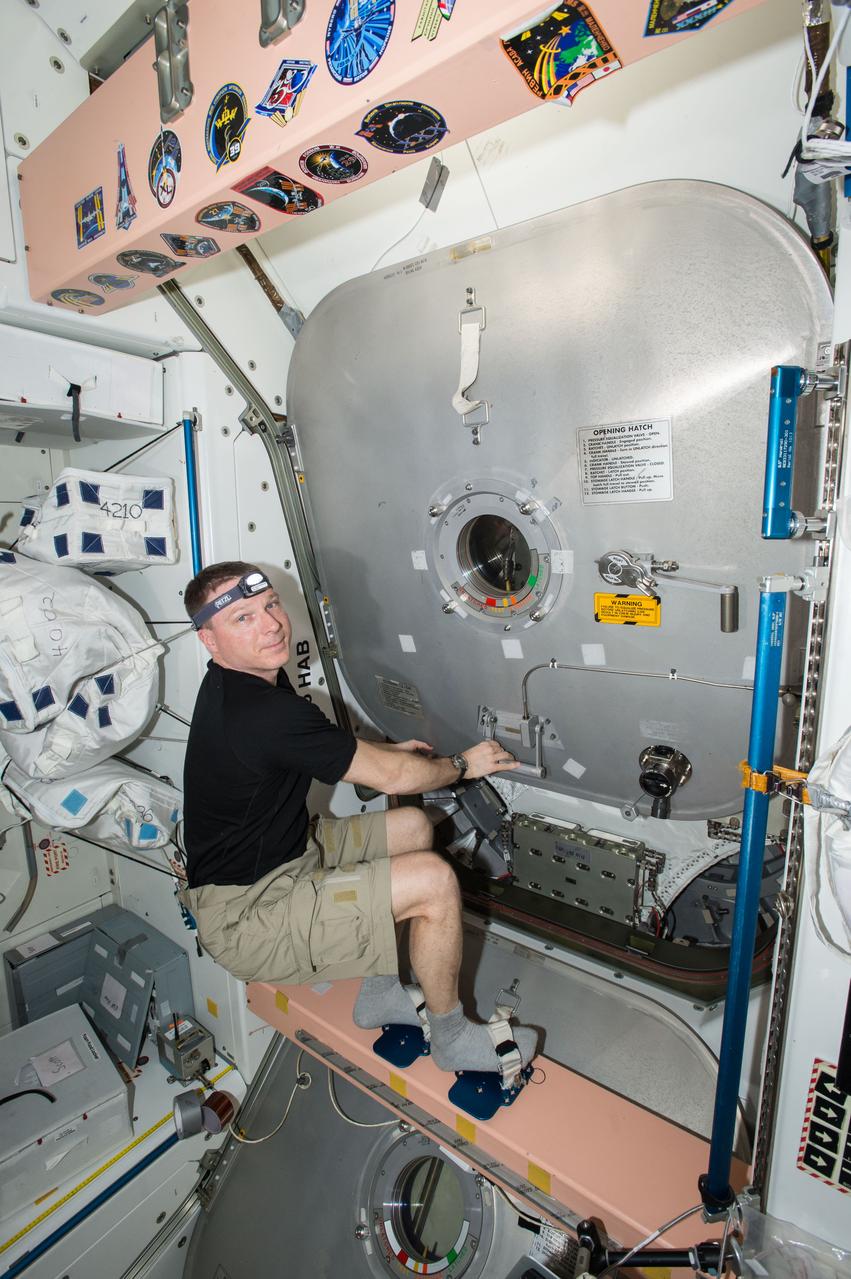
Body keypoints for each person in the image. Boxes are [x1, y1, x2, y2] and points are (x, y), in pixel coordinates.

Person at [180, 561, 538, 1078]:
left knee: (414, 829)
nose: (272, 624)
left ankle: (380, 992)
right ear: (209, 639)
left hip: (287, 856)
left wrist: (387, 754)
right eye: (243, 618)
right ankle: (454, 1039)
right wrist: (462, 765)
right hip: (249, 917)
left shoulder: (245, 683)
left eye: (270, 605)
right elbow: (393, 779)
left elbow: (327, 750)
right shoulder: (259, 712)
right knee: (434, 882)